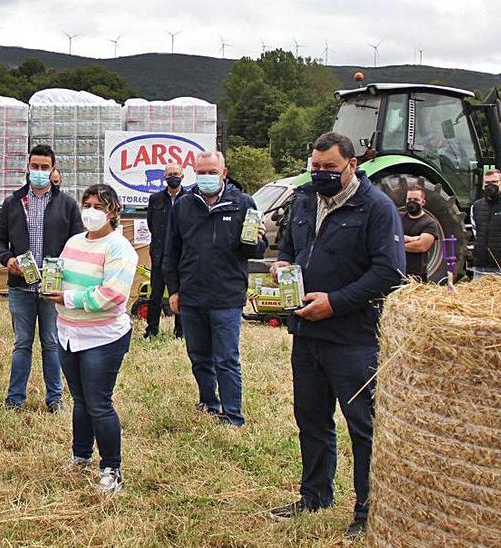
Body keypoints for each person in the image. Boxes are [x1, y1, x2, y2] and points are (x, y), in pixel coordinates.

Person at [268, 132, 404, 538]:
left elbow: (389, 273)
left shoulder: (376, 208)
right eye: (316, 167)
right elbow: (289, 245)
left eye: (330, 168)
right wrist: (283, 264)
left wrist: (336, 302)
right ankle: (314, 495)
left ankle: (366, 510)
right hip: (307, 331)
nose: (322, 175)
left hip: (353, 337)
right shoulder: (307, 199)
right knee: (311, 418)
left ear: (352, 165)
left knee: (362, 426)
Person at [45, 184, 137, 494]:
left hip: (103, 337)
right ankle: (80, 455)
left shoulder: (119, 248)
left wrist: (68, 298)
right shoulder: (73, 242)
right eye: (87, 204)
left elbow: (113, 295)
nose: (91, 211)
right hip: (69, 334)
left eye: (99, 206)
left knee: (99, 403)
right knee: (81, 401)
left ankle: (111, 467)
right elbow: (60, 276)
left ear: (113, 211)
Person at [165, 152, 266, 426]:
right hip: (192, 293)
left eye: (211, 171)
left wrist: (255, 240)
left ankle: (232, 414)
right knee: (198, 355)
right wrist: (174, 289)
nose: (205, 177)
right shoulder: (184, 205)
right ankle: (209, 401)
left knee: (226, 358)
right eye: (201, 171)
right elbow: (171, 251)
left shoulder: (242, 203)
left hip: (226, 295)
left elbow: (256, 249)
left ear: (223, 172)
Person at [0, 144, 84, 412]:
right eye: (35, 167)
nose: (40, 172)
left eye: (45, 167)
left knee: (52, 343)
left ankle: (55, 398)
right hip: (21, 287)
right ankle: (15, 398)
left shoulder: (66, 204)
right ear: (28, 167)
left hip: (52, 289)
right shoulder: (12, 202)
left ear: (53, 170)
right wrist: (7, 259)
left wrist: (66, 270)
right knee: (22, 343)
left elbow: (78, 243)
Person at [143, 162, 186, 340]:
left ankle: (181, 332)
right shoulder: (155, 199)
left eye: (176, 173)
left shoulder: (189, 198)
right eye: (169, 174)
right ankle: (152, 330)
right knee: (155, 295)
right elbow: (151, 224)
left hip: (181, 256)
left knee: (181, 294)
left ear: (182, 176)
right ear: (164, 177)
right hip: (159, 254)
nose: (173, 177)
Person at [401, 181, 441, 282]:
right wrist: (411, 239)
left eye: (416, 200)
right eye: (409, 199)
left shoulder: (429, 223)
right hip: (397, 270)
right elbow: (388, 237)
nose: (412, 202)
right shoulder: (398, 217)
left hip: (417, 274)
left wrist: (397, 244)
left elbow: (422, 246)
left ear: (423, 202)